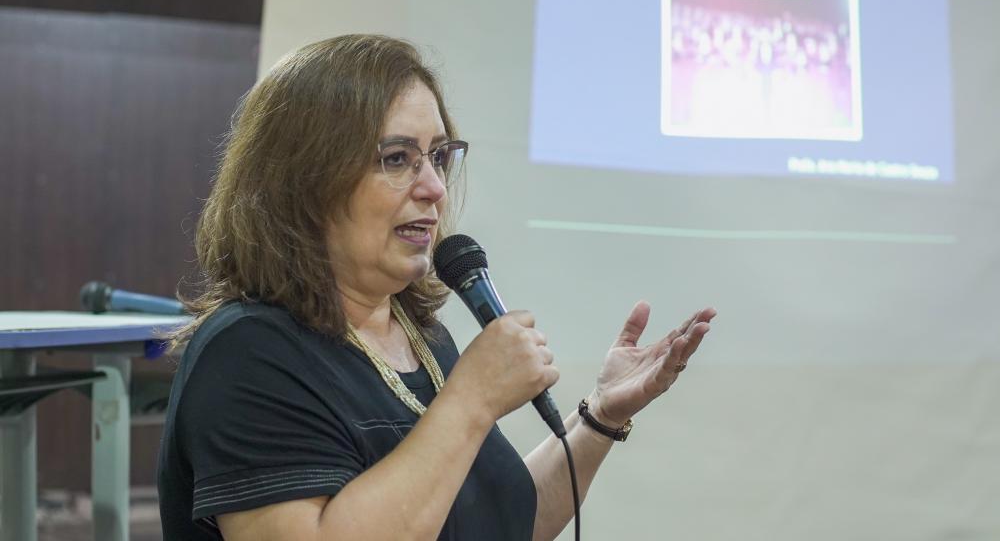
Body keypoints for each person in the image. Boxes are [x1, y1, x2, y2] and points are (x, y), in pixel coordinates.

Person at [156, 34, 716, 541]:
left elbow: (501, 522)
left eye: (440, 157)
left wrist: (600, 416)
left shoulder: (421, 337)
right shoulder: (249, 353)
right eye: (397, 159)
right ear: (306, 182)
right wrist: (471, 399)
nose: (433, 188)